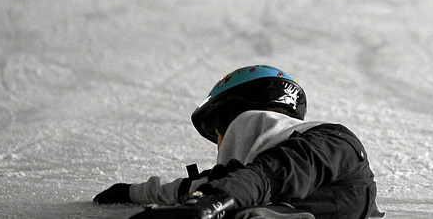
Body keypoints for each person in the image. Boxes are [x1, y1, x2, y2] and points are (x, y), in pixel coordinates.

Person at [93, 65, 384, 219]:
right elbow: (194, 186)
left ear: (234, 121)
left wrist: (213, 200)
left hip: (325, 174)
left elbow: (271, 175)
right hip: (308, 202)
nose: (220, 147)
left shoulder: (328, 139)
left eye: (219, 134)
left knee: (256, 186)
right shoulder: (245, 174)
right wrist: (131, 192)